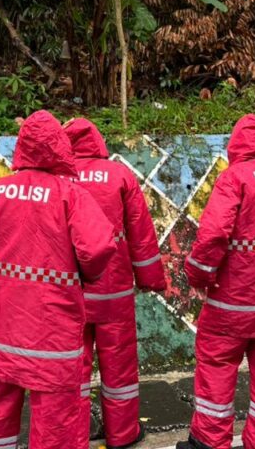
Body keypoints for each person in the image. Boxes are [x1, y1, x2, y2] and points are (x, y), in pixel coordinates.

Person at [0, 110, 117, 449]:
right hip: (53, 333)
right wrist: (85, 278)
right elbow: (99, 248)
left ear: (22, 147)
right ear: (60, 147)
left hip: (2, 332)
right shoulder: (71, 195)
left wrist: (2, 285)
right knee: (57, 424)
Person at [176, 114, 255, 449]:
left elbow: (213, 235)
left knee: (217, 366)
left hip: (234, 302)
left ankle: (209, 439)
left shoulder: (234, 178)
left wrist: (198, 274)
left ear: (236, 144)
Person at [63, 118, 167, 449]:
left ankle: (73, 435)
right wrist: (151, 279)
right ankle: (122, 434)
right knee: (120, 365)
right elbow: (140, 233)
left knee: (72, 369)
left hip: (69, 294)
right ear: (98, 142)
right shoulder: (120, 175)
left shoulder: (58, 178)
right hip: (114, 290)